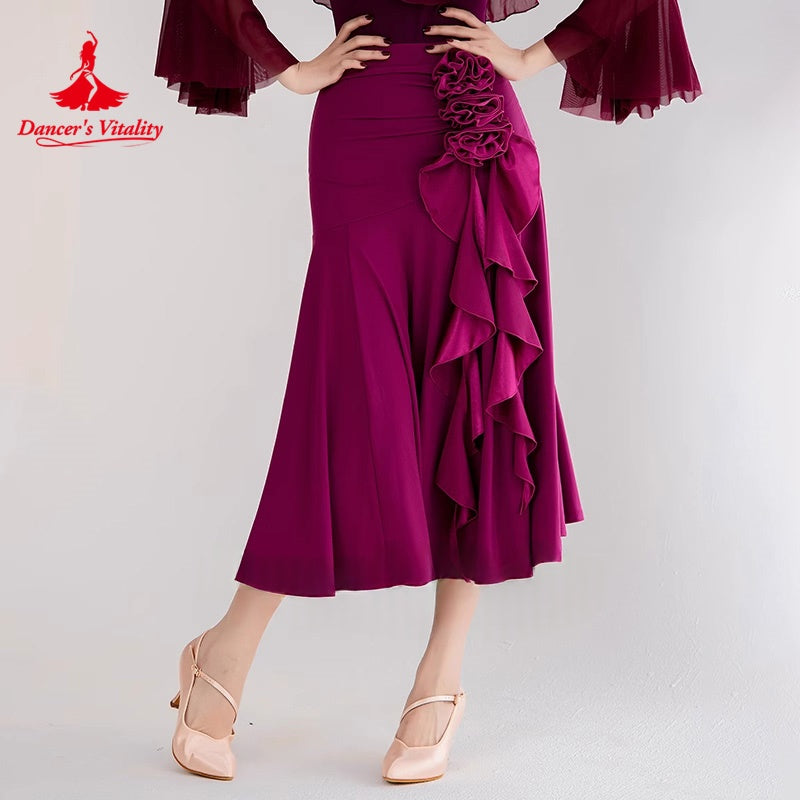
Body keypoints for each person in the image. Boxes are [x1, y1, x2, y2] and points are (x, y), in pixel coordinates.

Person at [155, 0, 702, 784]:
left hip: (478, 136)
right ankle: (226, 648)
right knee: (341, 399)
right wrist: (288, 68)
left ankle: (439, 674)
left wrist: (534, 56)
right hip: (360, 131)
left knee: (476, 389)